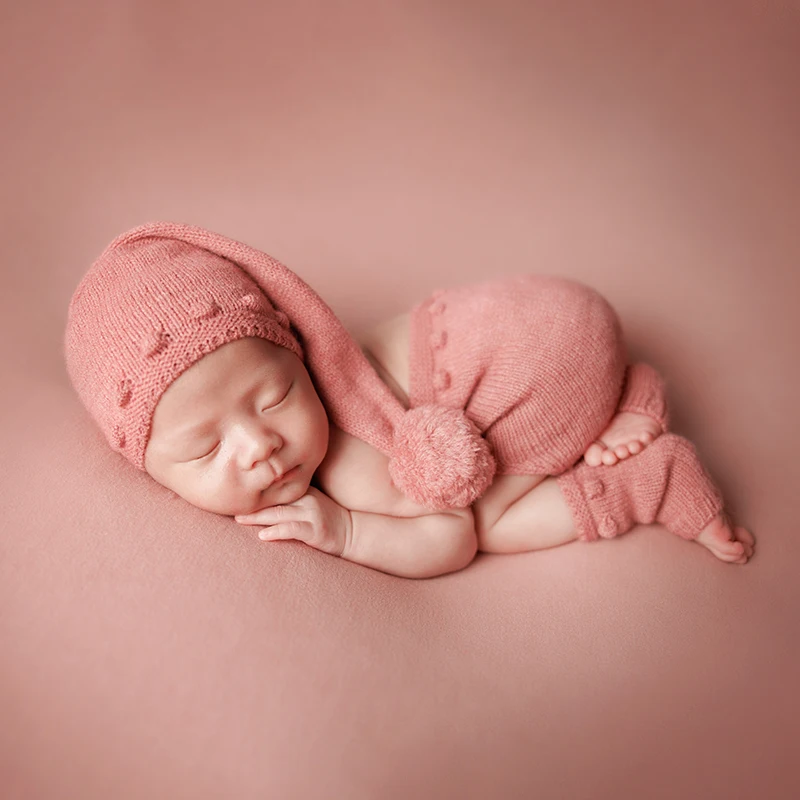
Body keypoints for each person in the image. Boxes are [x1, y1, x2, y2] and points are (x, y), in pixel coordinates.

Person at [64, 221, 755, 579]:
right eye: (206, 448)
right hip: (556, 308)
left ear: (299, 348)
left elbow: (448, 539)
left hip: (536, 366)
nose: (259, 446)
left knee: (492, 523)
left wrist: (350, 532)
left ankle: (647, 479)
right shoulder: (334, 350)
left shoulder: (350, 457)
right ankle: (627, 387)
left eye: (275, 397)